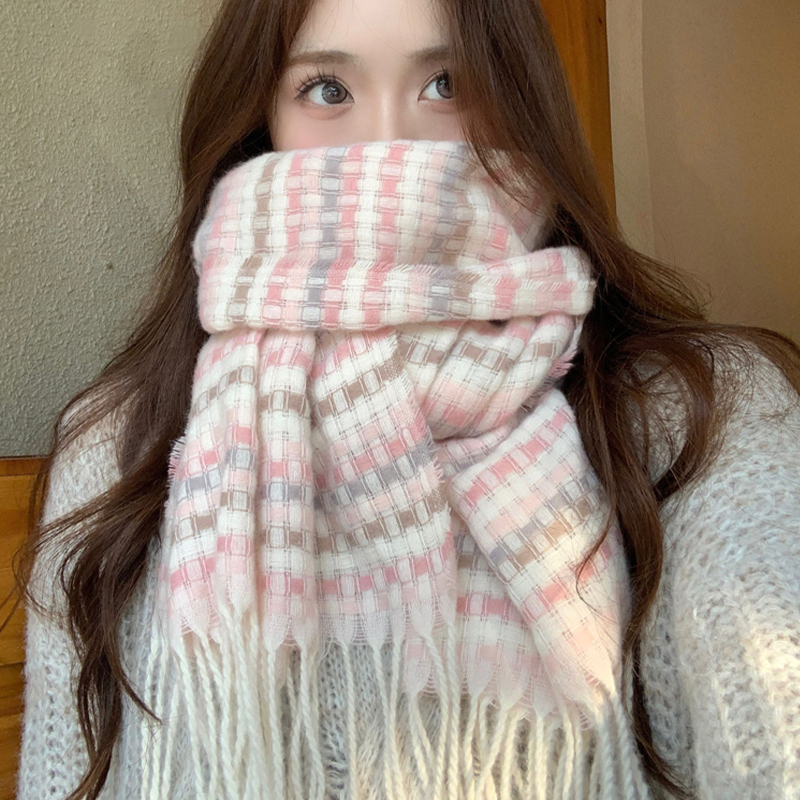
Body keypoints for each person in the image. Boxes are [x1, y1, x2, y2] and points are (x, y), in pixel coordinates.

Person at [14, 0, 800, 798]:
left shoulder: (699, 409)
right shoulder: (113, 446)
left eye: (446, 83)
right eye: (327, 90)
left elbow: (775, 693)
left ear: (519, 104)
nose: (388, 139)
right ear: (260, 125)